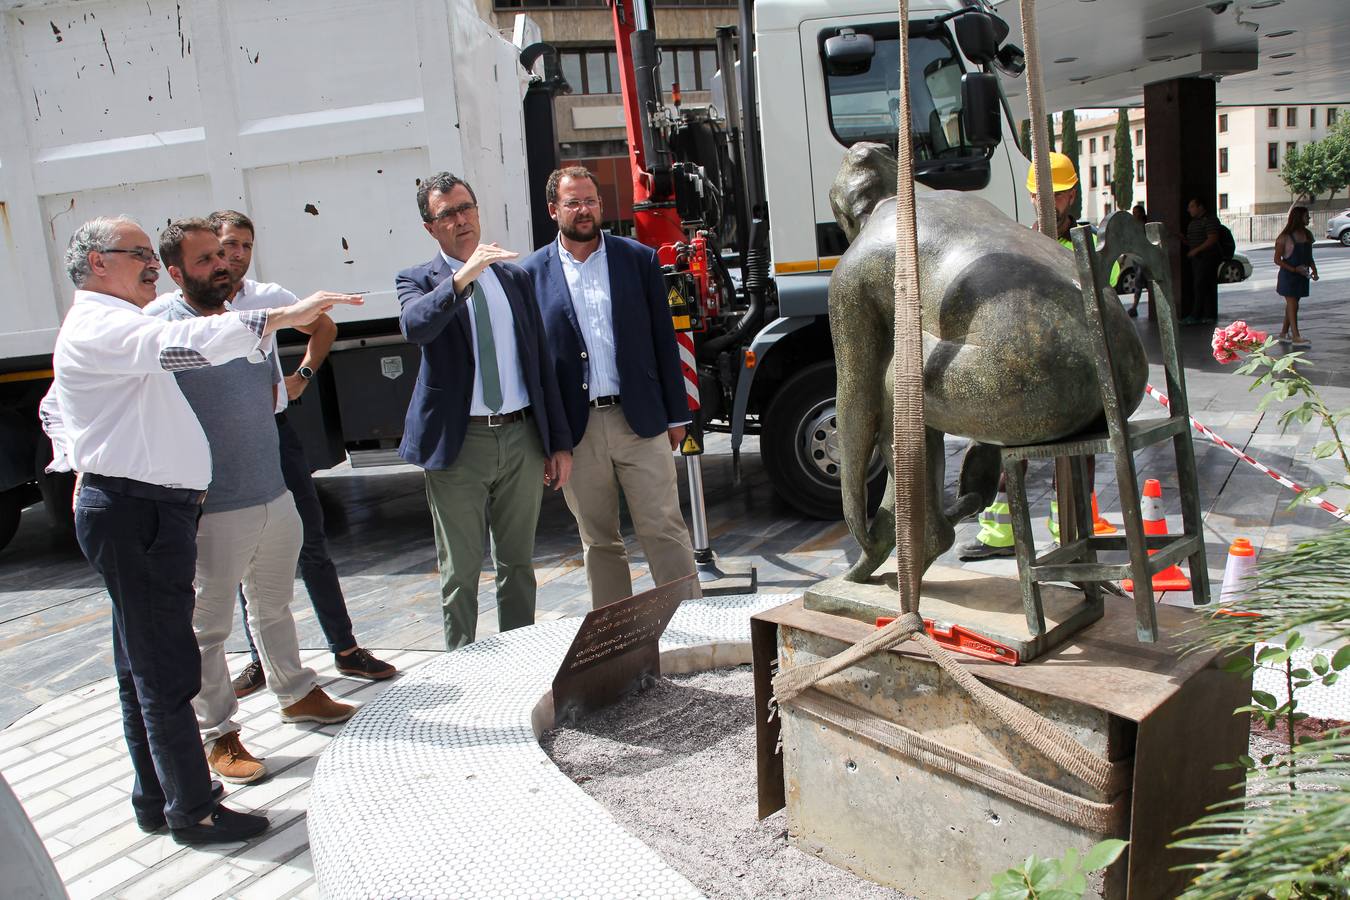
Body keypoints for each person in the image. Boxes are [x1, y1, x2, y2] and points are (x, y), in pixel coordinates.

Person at [39, 215, 361, 844]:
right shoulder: (104, 325)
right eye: (139, 256)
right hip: (137, 512)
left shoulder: (112, 322)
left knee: (141, 668)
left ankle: (157, 799)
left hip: (137, 507)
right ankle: (195, 809)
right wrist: (278, 319)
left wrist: (83, 453)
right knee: (167, 671)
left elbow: (57, 408)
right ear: (99, 263)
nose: (151, 267)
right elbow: (185, 347)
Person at [153, 218, 357, 786]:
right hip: (210, 508)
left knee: (273, 605)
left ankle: (294, 693)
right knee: (209, 630)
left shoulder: (244, 322)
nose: (221, 265)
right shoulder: (161, 324)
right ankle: (217, 733)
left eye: (222, 255)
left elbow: (264, 395)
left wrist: (295, 381)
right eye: (204, 260)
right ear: (174, 273)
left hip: (272, 491)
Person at [203, 210, 397, 699]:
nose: (237, 255)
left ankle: (345, 648)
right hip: (225, 444)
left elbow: (323, 328)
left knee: (312, 542)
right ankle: (259, 661)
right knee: (243, 553)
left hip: (275, 432)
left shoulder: (268, 297)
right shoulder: (195, 307)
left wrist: (302, 377)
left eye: (246, 245)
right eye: (228, 245)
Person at [396, 172, 573, 650]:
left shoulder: (514, 277)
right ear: (430, 227)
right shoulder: (418, 280)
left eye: (466, 207)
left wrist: (556, 442)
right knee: (461, 571)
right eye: (447, 214)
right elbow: (416, 326)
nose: (461, 220)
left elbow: (540, 365)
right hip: (460, 445)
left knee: (518, 564)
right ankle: (463, 666)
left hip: (520, 438)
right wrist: (462, 277)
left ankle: (516, 664)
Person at [520, 167, 697, 608]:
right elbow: (534, 367)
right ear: (552, 210)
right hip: (577, 433)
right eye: (573, 202)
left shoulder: (637, 260)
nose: (584, 210)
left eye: (591, 201)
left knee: (664, 528)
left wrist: (677, 417)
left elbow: (663, 341)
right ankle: (618, 641)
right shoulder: (529, 275)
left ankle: (694, 622)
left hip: (639, 421)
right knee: (599, 541)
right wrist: (549, 439)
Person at [958, 152, 1115, 560]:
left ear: (1073, 194)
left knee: (1081, 449)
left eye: (1060, 196)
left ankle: (1072, 531)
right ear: (1030, 195)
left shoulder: (1086, 242)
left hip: (1076, 365)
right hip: (1032, 366)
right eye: (1044, 196)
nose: (1052, 204)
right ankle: (1001, 533)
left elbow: (1107, 291)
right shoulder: (1020, 240)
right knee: (1011, 444)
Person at [1273, 205, 1318, 348]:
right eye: (1306, 216)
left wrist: (1314, 269)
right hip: (1289, 276)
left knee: (1293, 304)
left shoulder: (1307, 235)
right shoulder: (1285, 237)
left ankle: (1284, 333)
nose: (1309, 218)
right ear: (1299, 218)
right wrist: (1293, 269)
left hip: (1301, 274)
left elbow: (1309, 256)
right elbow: (1277, 259)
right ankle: (1296, 336)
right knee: (1293, 303)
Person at [1181, 197, 1221, 325]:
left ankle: (1198, 315)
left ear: (1200, 207)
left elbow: (1212, 238)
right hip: (1197, 259)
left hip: (1207, 258)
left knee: (1202, 285)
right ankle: (1205, 314)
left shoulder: (1210, 220)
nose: (1189, 210)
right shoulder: (1193, 223)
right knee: (1201, 286)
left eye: (1192, 206)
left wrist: (1196, 250)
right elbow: (1193, 240)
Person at [1128, 204, 1148, 318]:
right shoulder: (1133, 226)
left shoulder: (1145, 225)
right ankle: (1134, 307)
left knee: (1139, 281)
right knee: (1140, 281)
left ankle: (1134, 306)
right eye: (1133, 212)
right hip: (1136, 257)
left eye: (1136, 212)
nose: (1134, 214)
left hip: (1144, 257)